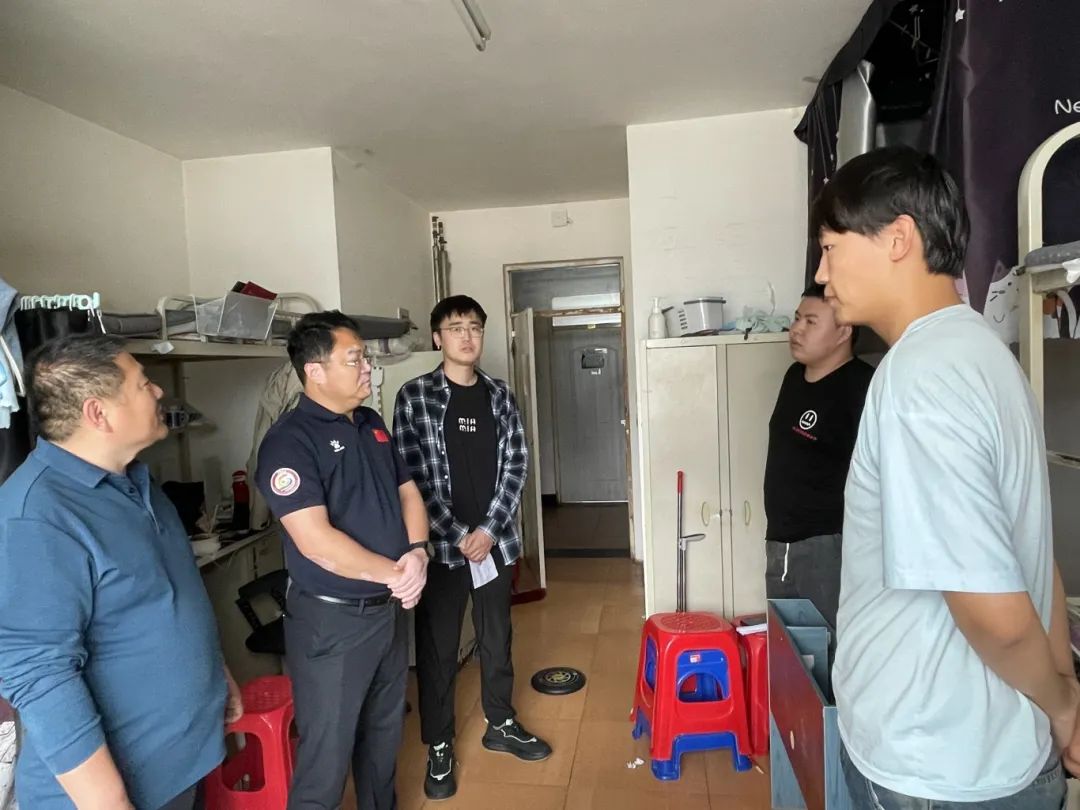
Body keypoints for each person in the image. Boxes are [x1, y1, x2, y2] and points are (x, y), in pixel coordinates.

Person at [814, 145, 1080, 807]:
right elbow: (1035, 558)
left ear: (897, 238)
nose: (821, 274)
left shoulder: (920, 379)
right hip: (994, 752)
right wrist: (1062, 691)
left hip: (932, 765)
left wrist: (1062, 705)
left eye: (830, 248)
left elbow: (996, 613)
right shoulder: (986, 355)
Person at [0, 334, 242, 810]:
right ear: (98, 413)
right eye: (143, 384)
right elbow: (39, 675)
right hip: (118, 792)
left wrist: (216, 670)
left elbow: (169, 597)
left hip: (178, 766)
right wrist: (109, 803)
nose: (158, 392)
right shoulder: (35, 515)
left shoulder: (137, 482)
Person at [255, 311, 430, 810]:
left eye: (365, 357)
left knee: (383, 739)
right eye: (354, 359)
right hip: (333, 623)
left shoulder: (371, 423)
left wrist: (417, 553)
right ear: (315, 371)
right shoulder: (289, 442)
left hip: (388, 611)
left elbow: (408, 492)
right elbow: (315, 541)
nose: (367, 367)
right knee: (326, 758)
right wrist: (397, 574)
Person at [393, 295, 551, 801]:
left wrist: (488, 530)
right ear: (437, 337)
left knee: (496, 637)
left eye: (475, 328)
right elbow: (410, 477)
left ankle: (500, 722)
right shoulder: (414, 396)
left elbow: (517, 464)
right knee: (438, 649)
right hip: (440, 549)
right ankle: (439, 744)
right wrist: (459, 533)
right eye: (456, 327)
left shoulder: (499, 395)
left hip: (495, 543)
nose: (467, 336)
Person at [763, 284, 873, 629]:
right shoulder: (794, 377)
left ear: (844, 331)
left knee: (829, 647)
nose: (796, 329)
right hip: (780, 544)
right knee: (790, 650)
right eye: (797, 318)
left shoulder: (863, 388)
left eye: (811, 322)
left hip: (828, 548)